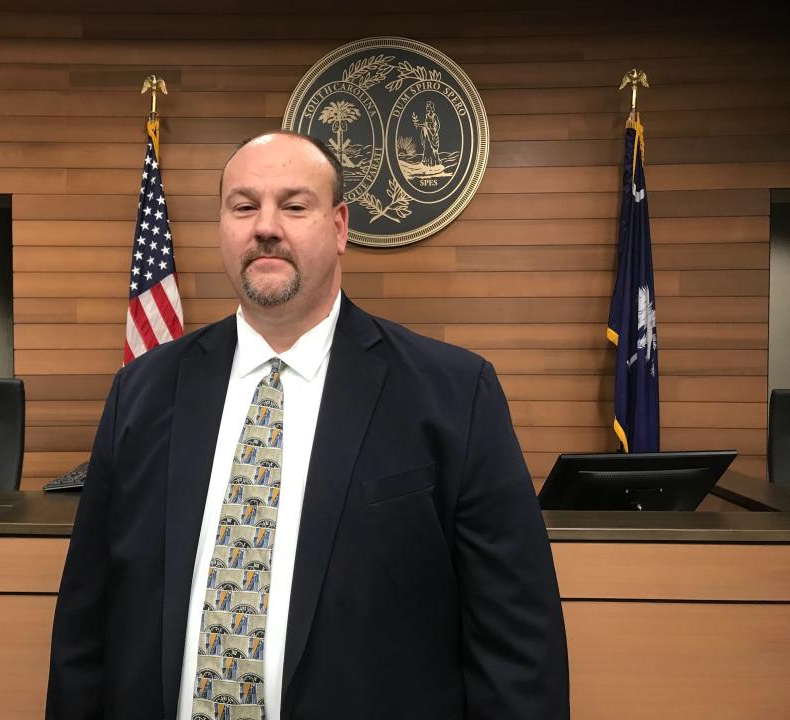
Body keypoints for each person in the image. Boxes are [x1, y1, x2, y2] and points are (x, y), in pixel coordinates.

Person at [46, 130, 569, 720]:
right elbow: (84, 626)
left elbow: (517, 642)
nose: (265, 225)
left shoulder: (451, 394)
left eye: (295, 206)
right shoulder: (141, 393)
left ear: (340, 227)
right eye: (243, 206)